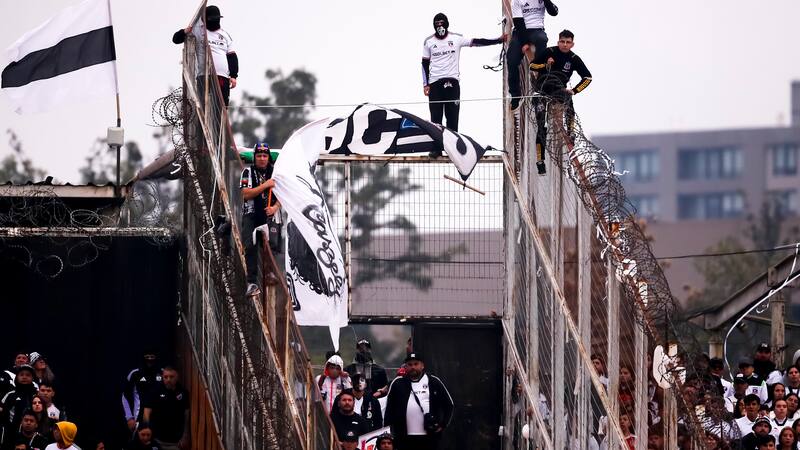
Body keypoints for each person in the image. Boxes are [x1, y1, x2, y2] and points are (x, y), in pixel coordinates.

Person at [421, 13, 506, 145]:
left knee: (452, 117)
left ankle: (453, 147)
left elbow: (476, 42)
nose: (440, 27)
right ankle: (436, 148)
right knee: (436, 119)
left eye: (442, 23)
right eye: (437, 24)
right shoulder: (429, 41)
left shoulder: (456, 38)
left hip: (452, 82)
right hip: (435, 84)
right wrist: (425, 84)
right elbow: (424, 64)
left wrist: (498, 40)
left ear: (447, 24)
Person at [528, 29, 592, 175]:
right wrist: (545, 65)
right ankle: (540, 161)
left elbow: (588, 78)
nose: (564, 44)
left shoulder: (574, 58)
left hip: (559, 90)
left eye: (568, 42)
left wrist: (575, 90)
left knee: (569, 103)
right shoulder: (549, 51)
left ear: (572, 44)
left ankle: (571, 132)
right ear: (558, 42)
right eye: (562, 41)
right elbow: (532, 66)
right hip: (542, 90)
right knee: (542, 126)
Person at [384, 353, 453, 450]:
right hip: (403, 437)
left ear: (422, 365)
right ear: (405, 367)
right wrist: (388, 432)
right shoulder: (397, 383)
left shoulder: (433, 381)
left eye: (416, 364)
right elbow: (389, 409)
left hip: (429, 436)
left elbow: (449, 404)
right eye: (410, 364)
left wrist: (443, 424)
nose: (413, 367)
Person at [172, 5, 238, 106]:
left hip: (222, 76)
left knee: (221, 107)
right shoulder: (198, 30)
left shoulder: (225, 35)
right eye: (211, 19)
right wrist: (185, 31)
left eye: (216, 19)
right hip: (204, 75)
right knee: (203, 106)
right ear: (204, 19)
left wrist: (233, 76)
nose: (214, 21)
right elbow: (176, 39)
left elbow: (232, 57)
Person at [240, 142, 280, 296]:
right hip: (251, 214)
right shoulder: (247, 172)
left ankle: (270, 273)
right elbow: (246, 194)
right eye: (259, 156)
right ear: (254, 157)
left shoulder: (276, 173)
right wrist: (265, 185)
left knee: (271, 246)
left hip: (270, 214)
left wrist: (275, 207)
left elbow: (284, 193)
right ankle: (252, 283)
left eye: (265, 156)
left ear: (268, 157)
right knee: (250, 246)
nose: (262, 159)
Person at [506, 0, 559, 111]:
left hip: (537, 30)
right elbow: (518, 22)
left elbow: (554, 12)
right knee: (511, 60)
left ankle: (540, 89)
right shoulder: (517, 1)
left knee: (542, 40)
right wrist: (525, 42)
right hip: (520, 31)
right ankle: (515, 95)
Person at [142, 367, 189, 450]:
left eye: (171, 377)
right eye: (165, 377)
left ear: (177, 377)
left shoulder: (183, 393)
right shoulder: (155, 391)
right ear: (162, 377)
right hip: (157, 440)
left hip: (176, 443)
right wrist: (149, 434)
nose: (168, 380)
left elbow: (186, 416)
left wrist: (185, 436)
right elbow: (146, 413)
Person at [122, 351, 163, 434]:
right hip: (138, 419)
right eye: (147, 357)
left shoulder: (163, 373)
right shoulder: (135, 374)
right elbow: (124, 396)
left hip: (159, 418)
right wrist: (129, 418)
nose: (149, 359)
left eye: (152, 356)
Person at [1, 366, 38, 430]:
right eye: (21, 375)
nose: (24, 377)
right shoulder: (10, 395)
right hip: (11, 431)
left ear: (32, 378)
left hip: (33, 431)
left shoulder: (37, 394)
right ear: (17, 377)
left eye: (28, 375)